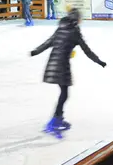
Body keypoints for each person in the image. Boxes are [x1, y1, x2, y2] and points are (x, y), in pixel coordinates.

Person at [30, 8, 106, 139]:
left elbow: (48, 43)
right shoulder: (75, 31)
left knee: (64, 92)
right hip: (62, 65)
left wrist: (35, 51)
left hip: (52, 63)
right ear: (77, 19)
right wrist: (99, 61)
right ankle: (54, 121)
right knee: (64, 93)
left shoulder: (61, 28)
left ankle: (58, 118)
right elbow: (87, 50)